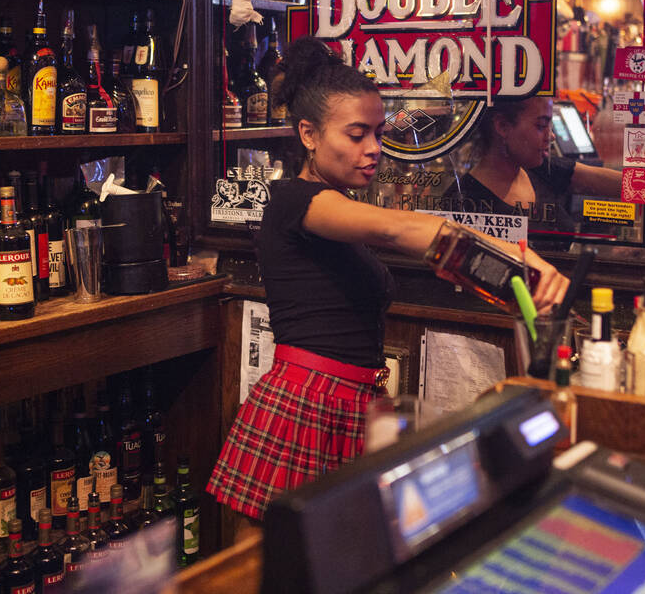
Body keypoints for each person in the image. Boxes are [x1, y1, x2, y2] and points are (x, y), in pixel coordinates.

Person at [206, 37, 568, 536]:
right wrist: (522, 261)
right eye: (357, 135)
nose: (374, 149)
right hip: (307, 404)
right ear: (308, 134)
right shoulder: (296, 199)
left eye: (378, 132)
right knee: (270, 573)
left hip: (349, 401)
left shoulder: (335, 205)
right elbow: (401, 229)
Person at [454, 96, 622, 241]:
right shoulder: (463, 199)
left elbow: (627, 185)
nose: (551, 136)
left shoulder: (542, 168)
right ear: (502, 126)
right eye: (541, 126)